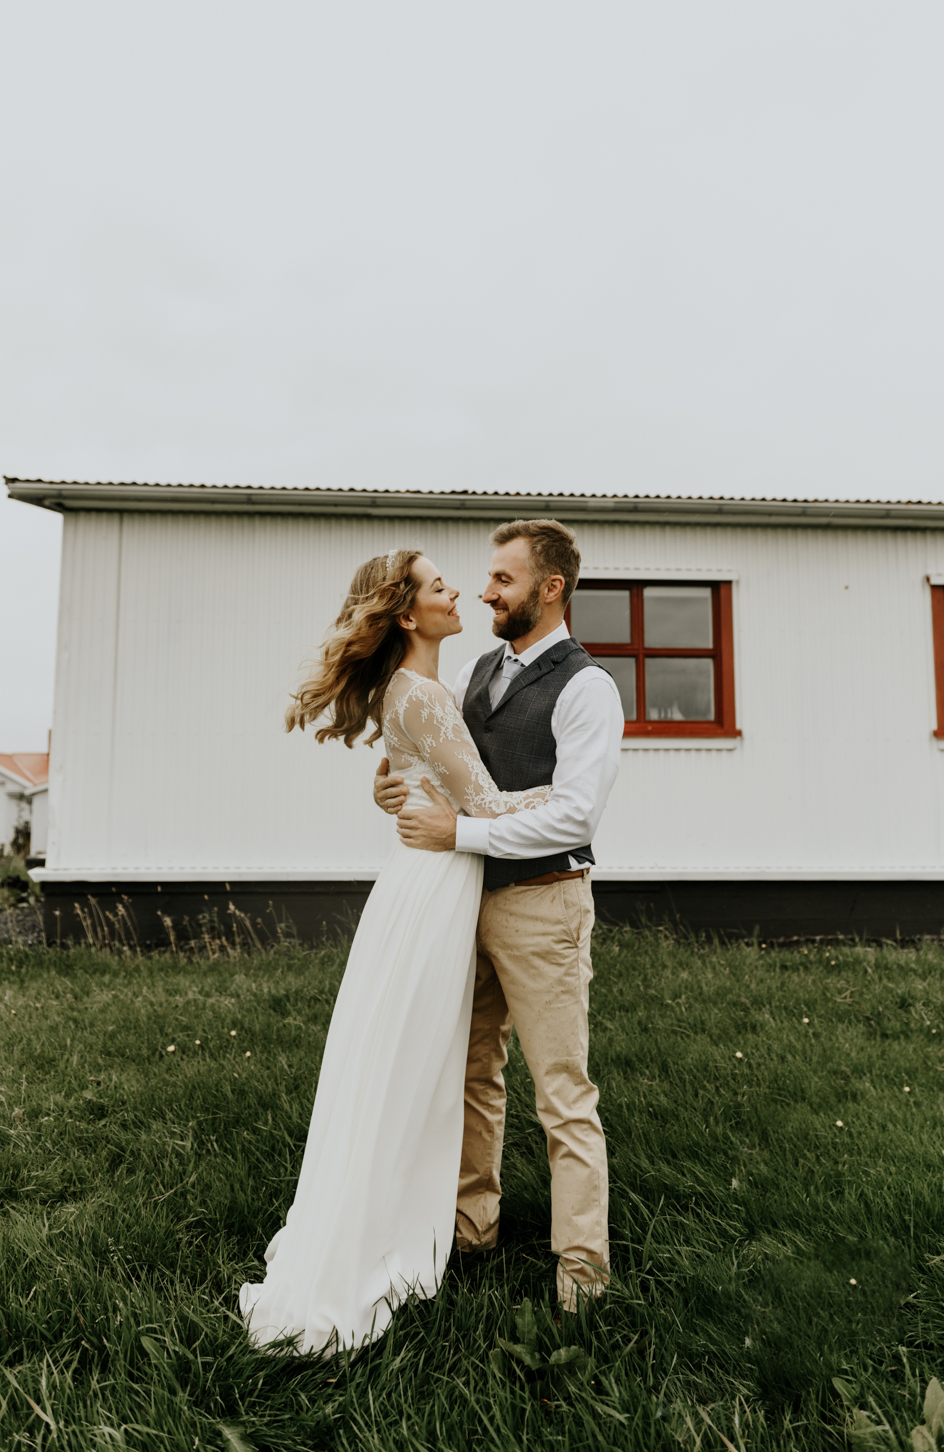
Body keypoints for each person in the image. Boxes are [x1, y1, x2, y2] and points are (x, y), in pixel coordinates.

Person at [240, 548, 554, 1355]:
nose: (458, 592)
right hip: (432, 891)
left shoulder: (415, 691)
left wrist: (398, 790)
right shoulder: (423, 697)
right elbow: (482, 804)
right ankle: (374, 1241)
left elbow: (423, 784)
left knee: (405, 1067)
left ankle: (398, 1216)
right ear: (407, 614)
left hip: (428, 883)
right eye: (440, 585)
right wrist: (575, 794)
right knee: (408, 1070)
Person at [373, 519, 623, 1314]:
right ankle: (470, 1231)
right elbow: (449, 771)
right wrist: (396, 790)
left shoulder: (588, 689)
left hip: (543, 903)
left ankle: (581, 1274)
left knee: (562, 1092)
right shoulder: (478, 668)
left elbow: (573, 817)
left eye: (502, 581)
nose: (484, 591)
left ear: (549, 590)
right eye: (484, 579)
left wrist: (462, 831)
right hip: (461, 904)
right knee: (473, 1074)